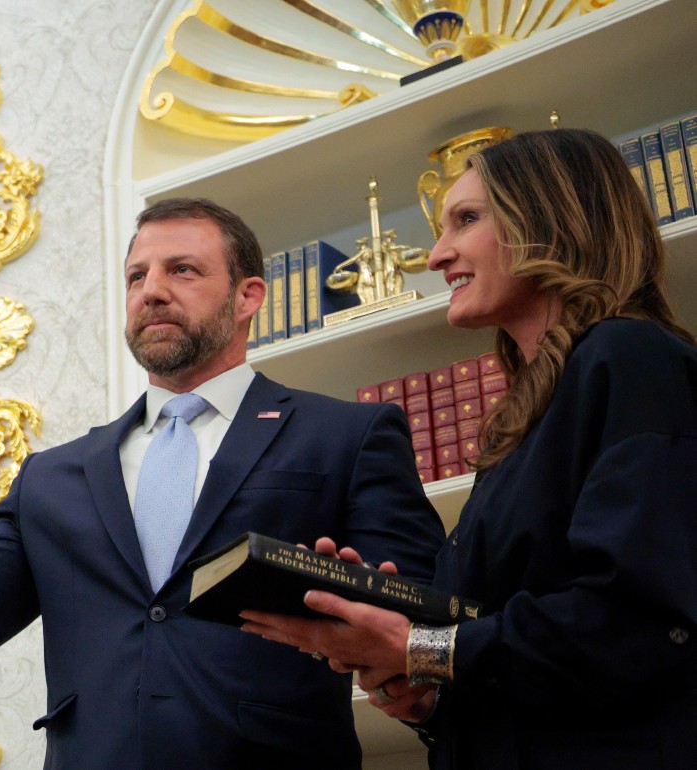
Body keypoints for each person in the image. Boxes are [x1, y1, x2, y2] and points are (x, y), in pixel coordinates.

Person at [0, 198, 445, 769]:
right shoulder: (51, 478)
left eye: (182, 270)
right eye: (136, 277)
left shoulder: (348, 435)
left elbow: (418, 628)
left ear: (247, 296)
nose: (152, 291)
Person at [239, 128, 697, 769]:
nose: (435, 255)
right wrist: (424, 694)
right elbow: (517, 662)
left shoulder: (631, 359)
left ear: (551, 223)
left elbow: (639, 623)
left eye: (466, 220)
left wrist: (421, 648)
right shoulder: (521, 419)